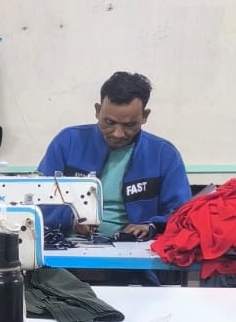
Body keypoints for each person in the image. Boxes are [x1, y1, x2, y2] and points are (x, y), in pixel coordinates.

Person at [38, 71, 190, 240]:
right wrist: (71, 220)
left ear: (145, 116)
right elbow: (40, 198)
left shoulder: (164, 154)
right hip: (70, 244)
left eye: (129, 125)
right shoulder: (68, 142)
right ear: (97, 111)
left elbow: (181, 213)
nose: (118, 133)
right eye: (109, 122)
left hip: (136, 249)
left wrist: (150, 226)